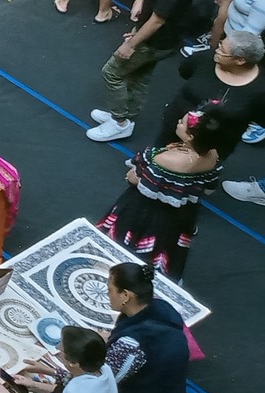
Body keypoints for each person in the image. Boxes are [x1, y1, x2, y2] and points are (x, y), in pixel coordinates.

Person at [97, 105, 240, 279]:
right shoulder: (212, 155)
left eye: (183, 122)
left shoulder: (165, 160)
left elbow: (134, 178)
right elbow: (209, 186)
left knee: (128, 239)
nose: (179, 122)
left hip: (144, 210)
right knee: (166, 243)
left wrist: (134, 175)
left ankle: (115, 269)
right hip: (181, 214)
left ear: (191, 136)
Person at [85, 0, 213, 143]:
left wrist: (132, 44)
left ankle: (119, 122)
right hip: (168, 40)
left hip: (155, 41)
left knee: (112, 73)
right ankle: (128, 113)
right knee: (140, 74)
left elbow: (157, 20)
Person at [87, 263, 188, 393]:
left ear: (126, 295)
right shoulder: (159, 309)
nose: (108, 295)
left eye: (110, 290)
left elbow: (101, 380)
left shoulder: (134, 342)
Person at [149, 32, 265, 153]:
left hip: (213, 145)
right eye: (220, 45)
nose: (217, 50)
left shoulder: (263, 90)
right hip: (175, 127)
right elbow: (185, 70)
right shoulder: (204, 59)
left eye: (223, 51)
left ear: (240, 60)